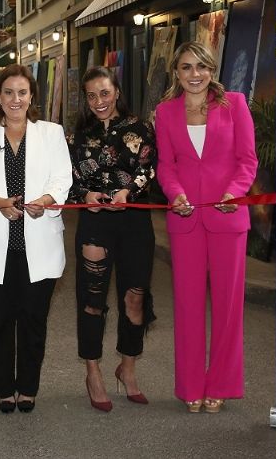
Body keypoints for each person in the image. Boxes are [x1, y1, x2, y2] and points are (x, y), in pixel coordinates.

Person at [154, 41, 258, 413]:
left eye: (200, 67)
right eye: (185, 68)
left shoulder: (235, 105)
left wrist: (233, 192)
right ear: (177, 74)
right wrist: (176, 194)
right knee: (188, 306)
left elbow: (247, 161)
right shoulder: (165, 113)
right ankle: (191, 386)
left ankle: (222, 384)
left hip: (228, 217)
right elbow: (166, 166)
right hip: (185, 219)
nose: (194, 74)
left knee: (229, 307)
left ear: (211, 70)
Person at [0, 64, 71, 414]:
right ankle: (3, 389)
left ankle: (27, 387)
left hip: (37, 245)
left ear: (31, 97)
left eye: (22, 92)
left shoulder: (52, 134)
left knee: (32, 321)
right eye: (8, 92)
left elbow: (62, 179)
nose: (15, 99)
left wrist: (45, 201)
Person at [68, 66, 157, 412]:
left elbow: (148, 169)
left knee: (135, 298)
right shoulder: (78, 134)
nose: (99, 101)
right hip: (94, 225)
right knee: (91, 300)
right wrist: (85, 196)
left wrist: (128, 192)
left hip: (134, 221)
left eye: (104, 93)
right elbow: (70, 179)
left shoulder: (140, 128)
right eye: (91, 95)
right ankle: (93, 372)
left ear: (116, 92)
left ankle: (128, 367)